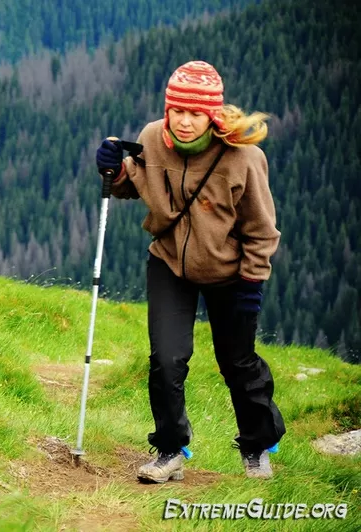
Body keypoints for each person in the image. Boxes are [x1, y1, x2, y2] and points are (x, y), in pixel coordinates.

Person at [95, 60, 286, 482]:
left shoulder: (244, 158)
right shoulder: (151, 139)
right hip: (169, 263)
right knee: (166, 359)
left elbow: (261, 229)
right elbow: (133, 185)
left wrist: (253, 281)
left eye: (194, 113)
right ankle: (169, 450)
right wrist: (113, 168)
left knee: (237, 362)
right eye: (176, 110)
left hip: (232, 273)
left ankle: (256, 446)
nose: (183, 121)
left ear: (212, 114)